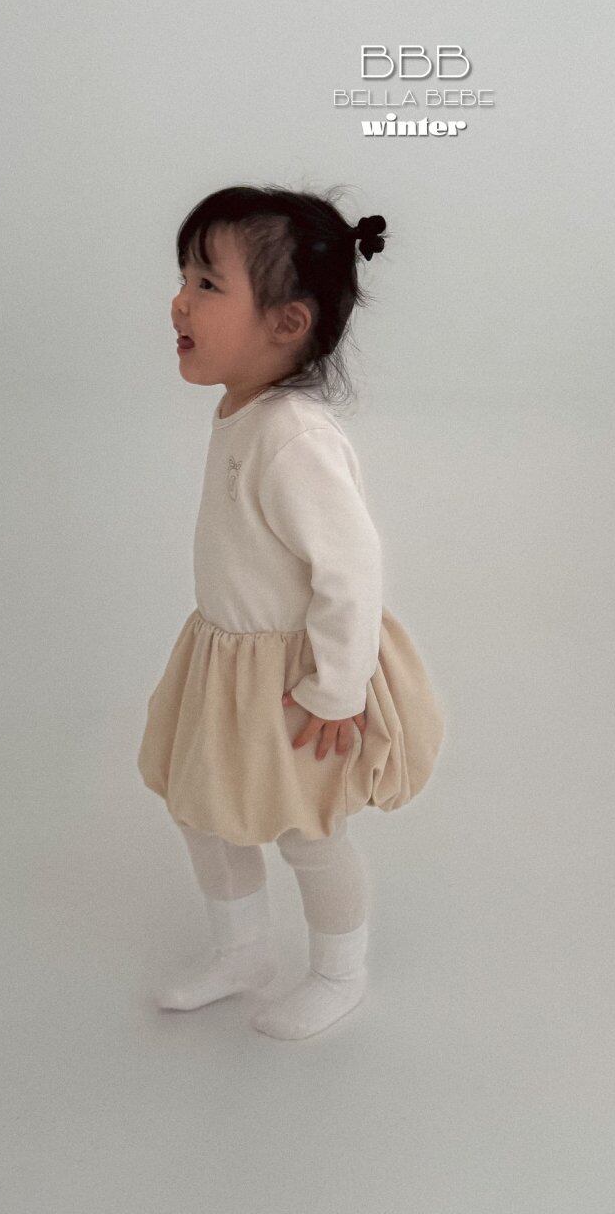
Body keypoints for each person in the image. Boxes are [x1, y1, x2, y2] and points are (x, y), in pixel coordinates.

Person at [137, 184, 445, 1040]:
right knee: (205, 808)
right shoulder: (242, 412)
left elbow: (352, 570)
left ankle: (340, 972)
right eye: (184, 278)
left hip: (296, 679)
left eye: (207, 284)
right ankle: (241, 951)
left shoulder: (293, 436)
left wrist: (338, 688)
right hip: (227, 661)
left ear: (287, 323)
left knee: (308, 829)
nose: (179, 301)